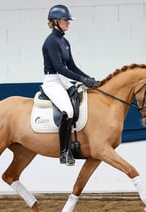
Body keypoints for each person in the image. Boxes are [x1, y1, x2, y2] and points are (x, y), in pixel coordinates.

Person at [42, 4, 98, 166]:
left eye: (68, 20)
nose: (68, 23)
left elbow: (71, 66)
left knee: (81, 101)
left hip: (64, 80)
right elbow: (59, 68)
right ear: (55, 21)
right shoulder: (51, 41)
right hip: (53, 81)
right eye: (65, 20)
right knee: (67, 110)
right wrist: (81, 79)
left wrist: (89, 79)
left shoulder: (64, 41)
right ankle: (64, 152)